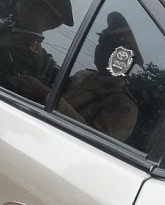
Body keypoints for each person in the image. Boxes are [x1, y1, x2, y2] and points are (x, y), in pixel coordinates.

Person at [56, 11, 141, 141]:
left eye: (106, 44)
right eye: (100, 42)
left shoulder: (124, 108)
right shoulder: (82, 75)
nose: (98, 48)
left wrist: (46, 95)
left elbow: (93, 144)